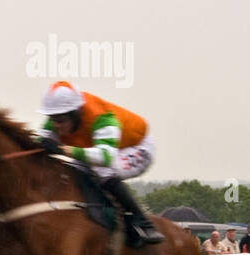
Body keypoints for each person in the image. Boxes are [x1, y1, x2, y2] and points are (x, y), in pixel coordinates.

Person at [37, 81, 162, 245]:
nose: (56, 125)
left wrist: (63, 149)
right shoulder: (56, 119)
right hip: (98, 150)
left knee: (101, 169)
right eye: (52, 119)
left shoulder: (103, 118)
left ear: (75, 113)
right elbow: (36, 142)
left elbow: (105, 157)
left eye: (60, 120)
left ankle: (144, 223)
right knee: (70, 170)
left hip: (136, 149)